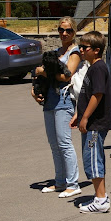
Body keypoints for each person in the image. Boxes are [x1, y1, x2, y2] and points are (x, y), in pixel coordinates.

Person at [31, 16, 81, 198]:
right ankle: (60, 181)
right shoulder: (55, 51)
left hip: (64, 101)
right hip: (50, 100)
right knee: (54, 144)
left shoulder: (74, 52)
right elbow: (45, 75)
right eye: (61, 30)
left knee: (64, 143)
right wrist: (34, 89)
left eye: (68, 30)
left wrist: (42, 71)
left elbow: (66, 76)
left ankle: (73, 183)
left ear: (74, 32)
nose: (64, 33)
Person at [70, 31, 111, 213]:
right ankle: (100, 195)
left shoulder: (98, 68)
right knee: (92, 159)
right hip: (90, 122)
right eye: (80, 46)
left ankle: (101, 199)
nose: (81, 50)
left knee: (93, 160)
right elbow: (86, 96)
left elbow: (97, 95)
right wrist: (78, 115)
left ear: (96, 50)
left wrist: (86, 117)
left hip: (95, 124)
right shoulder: (91, 66)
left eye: (84, 47)